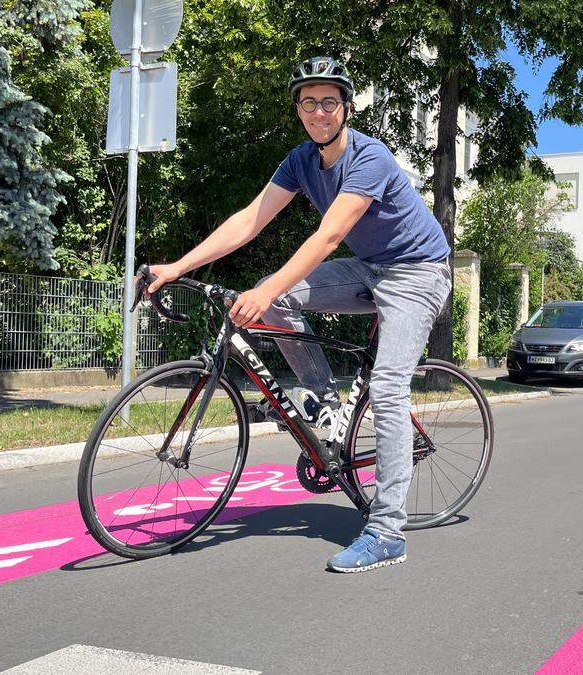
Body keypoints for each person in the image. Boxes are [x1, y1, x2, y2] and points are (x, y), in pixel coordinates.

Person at [145, 56, 452, 573]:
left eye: (329, 101)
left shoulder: (369, 157)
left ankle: (387, 531)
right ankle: (326, 402)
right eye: (309, 102)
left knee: (390, 388)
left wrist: (266, 295)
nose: (319, 111)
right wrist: (178, 266)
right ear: (299, 111)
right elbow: (249, 219)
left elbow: (328, 236)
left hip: (419, 271)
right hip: (371, 266)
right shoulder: (300, 161)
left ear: (346, 108)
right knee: (277, 293)